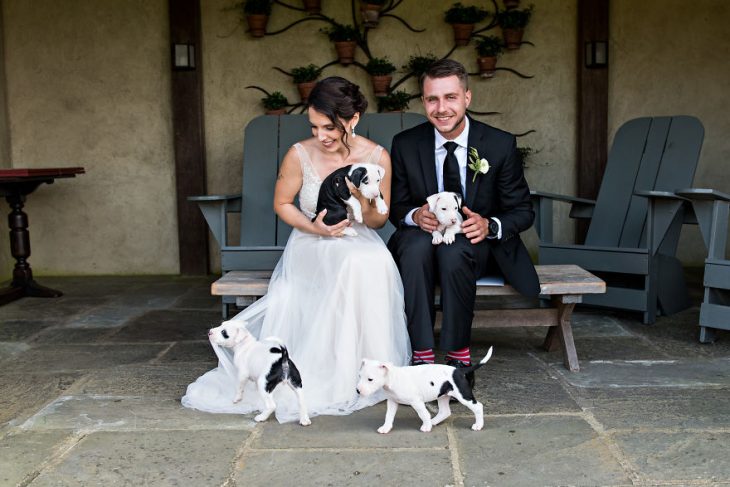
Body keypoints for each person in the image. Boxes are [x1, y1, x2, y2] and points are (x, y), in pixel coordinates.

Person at [182, 77, 411, 422]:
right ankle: (329, 370)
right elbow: (283, 204)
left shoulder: (377, 157)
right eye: (315, 126)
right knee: (354, 263)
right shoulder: (299, 154)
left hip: (358, 240)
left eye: (330, 127)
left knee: (373, 259)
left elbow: (378, 222)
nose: (322, 135)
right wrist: (314, 227)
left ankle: (363, 369)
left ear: (354, 119)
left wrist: (364, 198)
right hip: (311, 241)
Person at [387, 59, 539, 382]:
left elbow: (523, 211)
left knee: (454, 250)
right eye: (432, 99)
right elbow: (395, 205)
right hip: (421, 242)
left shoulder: (499, 145)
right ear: (423, 101)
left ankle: (458, 357)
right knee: (414, 248)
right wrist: (415, 215)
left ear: (467, 98)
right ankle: (422, 357)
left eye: (450, 97)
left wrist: (489, 225)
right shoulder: (405, 144)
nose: (441, 108)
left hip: (476, 248)